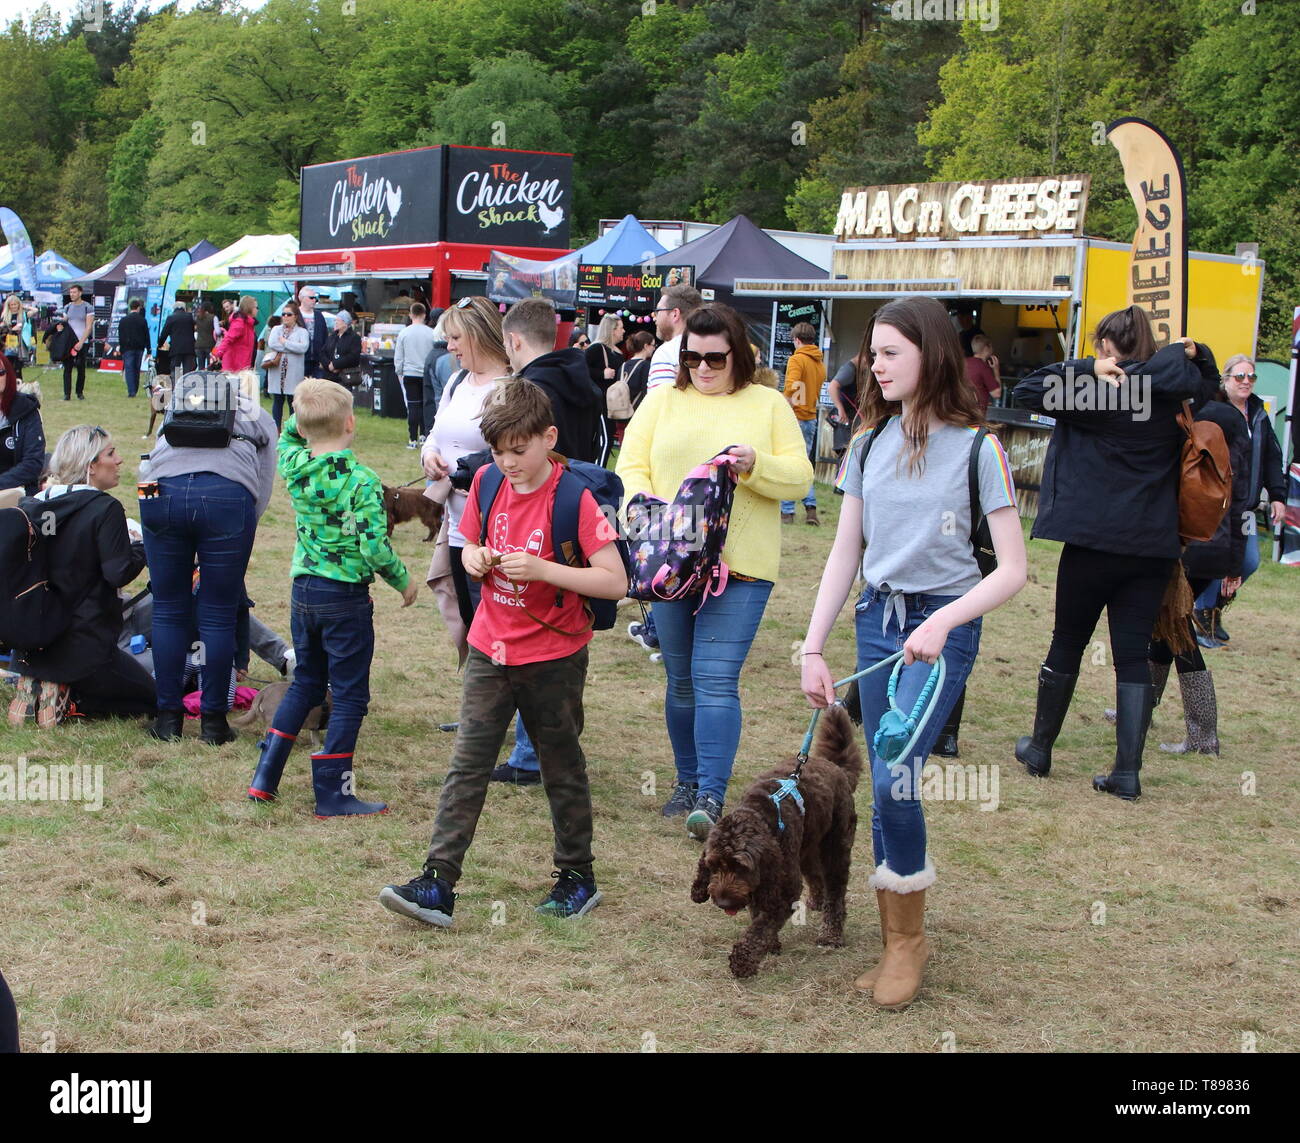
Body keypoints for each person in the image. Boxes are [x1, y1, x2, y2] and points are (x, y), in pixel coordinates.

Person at [800, 296, 1026, 1009]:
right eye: (873, 352)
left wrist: (944, 623)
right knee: (889, 772)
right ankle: (893, 930)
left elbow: (1013, 569)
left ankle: (907, 943)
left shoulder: (979, 448)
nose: (875, 364)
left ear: (932, 354)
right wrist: (812, 645)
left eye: (892, 350)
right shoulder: (867, 443)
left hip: (943, 627)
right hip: (878, 618)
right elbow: (846, 552)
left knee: (896, 765)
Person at [379, 380, 626, 926]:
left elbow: (614, 581)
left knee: (561, 766)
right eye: (497, 451)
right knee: (467, 765)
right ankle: (437, 883)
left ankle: (576, 877)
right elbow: (468, 542)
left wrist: (543, 570)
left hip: (554, 654)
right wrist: (475, 561)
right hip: (490, 647)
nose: (508, 462)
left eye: (520, 449)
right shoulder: (488, 483)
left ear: (548, 438)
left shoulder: (574, 498)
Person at [616, 303, 814, 838]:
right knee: (680, 680)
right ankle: (685, 783)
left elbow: (800, 477)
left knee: (714, 679)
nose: (702, 368)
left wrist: (757, 466)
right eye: (693, 357)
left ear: (739, 356)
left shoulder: (769, 405)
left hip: (740, 567)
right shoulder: (661, 401)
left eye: (715, 358)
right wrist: (644, 506)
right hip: (671, 563)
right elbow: (629, 464)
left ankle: (710, 792)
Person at [1011, 306, 1218, 800]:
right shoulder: (1172, 393)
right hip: (1150, 548)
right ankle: (1127, 772)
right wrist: (1198, 351)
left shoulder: (1097, 390)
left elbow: (1023, 391)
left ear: (1107, 346)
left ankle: (1039, 748)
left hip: (1091, 543)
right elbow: (1209, 386)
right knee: (1130, 657)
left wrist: (1084, 369)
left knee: (1067, 643)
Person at [246, 379, 417, 814]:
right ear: (351, 422)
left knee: (306, 682)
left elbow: (286, 434)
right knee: (350, 693)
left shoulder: (294, 462)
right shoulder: (361, 481)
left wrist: (303, 410)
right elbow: (373, 547)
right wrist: (403, 581)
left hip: (304, 591)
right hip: (344, 597)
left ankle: (265, 776)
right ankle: (333, 793)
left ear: (303, 429)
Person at [421, 297, 539, 781]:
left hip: (495, 525)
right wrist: (430, 456)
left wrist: (468, 470)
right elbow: (435, 433)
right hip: (456, 518)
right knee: (472, 625)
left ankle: (504, 721)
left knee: (500, 625)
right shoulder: (454, 380)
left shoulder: (510, 388)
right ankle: (485, 713)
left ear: (479, 335)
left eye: (455, 337)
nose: (449, 347)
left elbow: (514, 454)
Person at [141, 370, 278, 746]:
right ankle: (214, 722)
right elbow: (263, 482)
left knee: (168, 608)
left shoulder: (175, 407)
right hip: (228, 499)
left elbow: (154, 456)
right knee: (218, 612)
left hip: (161, 494)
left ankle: (167, 719)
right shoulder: (254, 412)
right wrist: (244, 520)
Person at [7, 425, 154, 728]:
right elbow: (118, 572)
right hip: (85, 646)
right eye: (111, 453)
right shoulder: (104, 508)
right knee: (153, 698)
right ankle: (72, 697)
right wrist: (142, 547)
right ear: (91, 465)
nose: (119, 460)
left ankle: (41, 683)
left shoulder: (34, 503)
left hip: (32, 642)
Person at [1147, 389, 1252, 756]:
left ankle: (1203, 735)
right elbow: (1241, 506)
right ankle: (1141, 709)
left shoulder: (1202, 431)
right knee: (1165, 625)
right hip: (1212, 549)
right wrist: (1234, 562)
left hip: (1194, 547)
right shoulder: (1230, 434)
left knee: (1177, 630)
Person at [1190, 355, 1287, 645]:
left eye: (1251, 377)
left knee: (1248, 562)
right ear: (1226, 379)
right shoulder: (1212, 410)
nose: (1246, 382)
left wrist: (1278, 496)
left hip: (1245, 504)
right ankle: (1201, 613)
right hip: (1215, 503)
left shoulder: (1258, 414)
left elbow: (1272, 456)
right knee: (1214, 559)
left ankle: (1211, 608)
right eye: (1239, 377)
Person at [501, 297, 602, 463]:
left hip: (539, 484)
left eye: (505, 343)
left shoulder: (524, 391)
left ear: (514, 341)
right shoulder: (584, 383)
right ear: (554, 340)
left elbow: (506, 450)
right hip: (578, 483)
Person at [779, 321, 825, 526]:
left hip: (796, 416)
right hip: (811, 417)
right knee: (804, 464)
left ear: (797, 340)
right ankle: (811, 509)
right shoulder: (818, 362)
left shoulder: (797, 359)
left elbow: (793, 385)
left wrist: (785, 402)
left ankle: (787, 511)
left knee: (791, 463)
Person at [0, 354, 45, 497]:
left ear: (8, 373)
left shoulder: (26, 409)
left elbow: (33, 463)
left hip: (17, 495)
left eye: (0, 372)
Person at [395, 301, 438, 448]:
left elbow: (399, 356)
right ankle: (424, 435)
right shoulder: (431, 333)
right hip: (426, 374)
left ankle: (412, 438)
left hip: (410, 373)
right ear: (424, 315)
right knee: (426, 405)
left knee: (413, 406)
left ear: (410, 315)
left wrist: (399, 371)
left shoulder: (404, 333)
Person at [645, 283, 702, 393]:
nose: (654, 317)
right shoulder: (712, 347)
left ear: (675, 314)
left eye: (658, 311)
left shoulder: (666, 352)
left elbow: (660, 404)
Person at [585, 313, 624, 463]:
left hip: (612, 403)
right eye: (621, 328)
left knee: (607, 438)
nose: (623, 331)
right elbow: (582, 369)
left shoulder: (617, 352)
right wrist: (602, 373)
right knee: (606, 439)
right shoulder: (596, 349)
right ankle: (599, 470)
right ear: (612, 330)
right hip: (600, 402)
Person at [265, 301, 309, 430]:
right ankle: (276, 430)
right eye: (283, 314)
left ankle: (292, 430)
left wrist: (285, 342)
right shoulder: (276, 329)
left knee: (292, 403)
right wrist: (291, 346)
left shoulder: (302, 332)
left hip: (293, 374)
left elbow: (303, 348)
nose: (285, 316)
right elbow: (272, 344)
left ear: (295, 316)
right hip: (277, 371)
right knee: (277, 401)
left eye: (288, 314)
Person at [420, 307, 452, 436]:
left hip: (434, 418)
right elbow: (449, 393)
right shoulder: (444, 359)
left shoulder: (435, 355)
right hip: (442, 422)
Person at [62, 284, 94, 400]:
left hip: (82, 341)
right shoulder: (67, 307)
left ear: (80, 293)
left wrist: (81, 342)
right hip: (69, 342)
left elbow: (89, 327)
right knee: (67, 368)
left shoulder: (87, 307)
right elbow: (64, 323)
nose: (72, 295)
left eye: (74, 292)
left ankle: (79, 392)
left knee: (81, 368)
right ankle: (67, 394)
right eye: (70, 292)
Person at [211, 295, 259, 373]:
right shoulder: (240, 322)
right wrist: (217, 355)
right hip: (235, 367)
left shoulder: (249, 323)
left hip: (242, 366)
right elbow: (228, 339)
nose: (257, 310)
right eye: (256, 307)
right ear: (249, 308)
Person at [118, 298, 151, 399]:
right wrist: (149, 349)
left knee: (129, 369)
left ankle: (131, 391)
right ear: (138, 308)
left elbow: (121, 335)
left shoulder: (123, 320)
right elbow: (146, 335)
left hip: (127, 348)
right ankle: (135, 389)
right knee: (137, 368)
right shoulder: (142, 320)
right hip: (139, 348)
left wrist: (121, 348)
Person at [297, 286, 331, 378]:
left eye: (315, 298)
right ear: (301, 298)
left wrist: (324, 359)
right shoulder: (295, 314)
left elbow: (325, 337)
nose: (314, 300)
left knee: (317, 388)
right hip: (300, 358)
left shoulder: (319, 315)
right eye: (311, 298)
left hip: (317, 359)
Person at [322, 311, 362, 385]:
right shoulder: (332, 336)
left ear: (345, 323)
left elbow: (354, 357)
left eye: (338, 320)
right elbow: (323, 353)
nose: (335, 322)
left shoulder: (354, 338)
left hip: (345, 378)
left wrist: (335, 364)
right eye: (335, 320)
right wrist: (328, 365)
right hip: (329, 377)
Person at [158, 301, 197, 377]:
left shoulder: (171, 317)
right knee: (187, 370)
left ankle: (176, 386)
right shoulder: (189, 317)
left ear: (174, 308)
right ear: (184, 308)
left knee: (176, 370)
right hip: (189, 347)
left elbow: (164, 333)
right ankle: (186, 387)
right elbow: (193, 330)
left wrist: (160, 344)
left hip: (176, 348)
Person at [964, 334, 1001, 413]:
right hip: (975, 414)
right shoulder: (983, 367)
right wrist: (996, 370)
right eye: (991, 346)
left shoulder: (962, 363)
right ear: (986, 348)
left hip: (959, 411)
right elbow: (996, 394)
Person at [2, 294, 32, 380]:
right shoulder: (5, 317)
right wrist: (12, 329)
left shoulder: (23, 315)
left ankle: (19, 387)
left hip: (20, 345)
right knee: (9, 368)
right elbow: (2, 331)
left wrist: (26, 307)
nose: (14, 306)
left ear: (19, 304)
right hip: (8, 345)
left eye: (15, 304)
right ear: (8, 306)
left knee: (18, 369)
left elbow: (35, 310)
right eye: (12, 305)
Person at [194, 301, 219, 370]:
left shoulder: (198, 317)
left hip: (198, 345)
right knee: (210, 366)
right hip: (210, 345)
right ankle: (208, 380)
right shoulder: (213, 317)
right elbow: (218, 332)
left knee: (200, 367)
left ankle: (200, 380)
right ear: (210, 308)